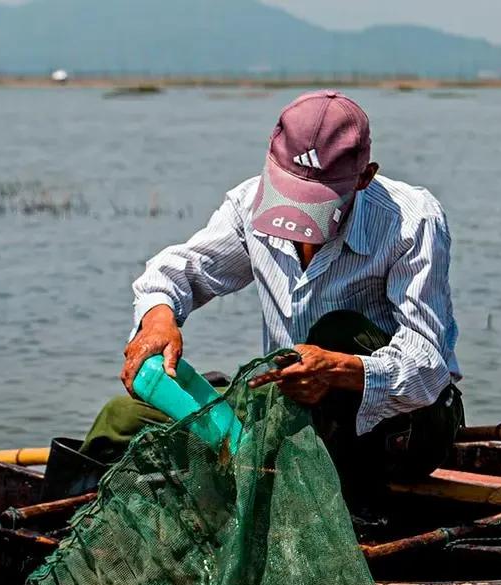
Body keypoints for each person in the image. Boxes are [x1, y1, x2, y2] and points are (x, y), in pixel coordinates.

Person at [52, 90, 463, 496]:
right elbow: (178, 271)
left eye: (316, 203)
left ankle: (328, 500)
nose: (300, 217)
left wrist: (336, 368)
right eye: (291, 195)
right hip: (290, 409)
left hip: (405, 427)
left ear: (364, 178)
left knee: (336, 332)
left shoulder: (411, 222)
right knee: (123, 417)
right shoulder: (249, 204)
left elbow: (427, 365)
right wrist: (159, 320)